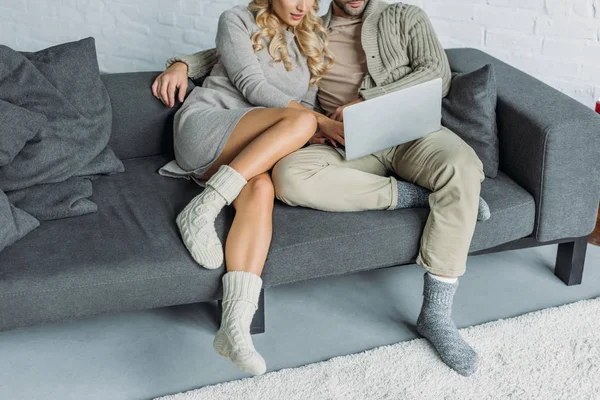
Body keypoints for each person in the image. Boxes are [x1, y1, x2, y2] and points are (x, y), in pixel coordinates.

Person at [271, 0, 490, 376]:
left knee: (462, 166)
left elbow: (438, 73)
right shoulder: (305, 28)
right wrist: (182, 65)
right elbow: (243, 43)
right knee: (289, 176)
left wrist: (368, 100)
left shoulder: (405, 16)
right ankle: (422, 196)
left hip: (412, 133)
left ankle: (435, 315)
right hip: (349, 143)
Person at [151, 0, 334, 375]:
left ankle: (234, 329)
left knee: (262, 190)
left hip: (247, 149)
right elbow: (252, 86)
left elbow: (304, 104)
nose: (303, 5)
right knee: (304, 123)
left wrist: (320, 133)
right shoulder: (235, 19)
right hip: (206, 126)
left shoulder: (311, 38)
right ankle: (203, 207)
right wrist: (316, 124)